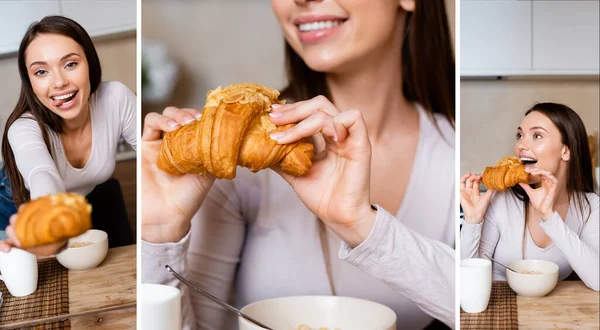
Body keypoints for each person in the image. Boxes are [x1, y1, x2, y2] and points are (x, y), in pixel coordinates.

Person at [142, 1, 456, 329]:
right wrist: (160, 234)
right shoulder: (241, 157)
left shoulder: (450, 159)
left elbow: (475, 307)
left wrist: (363, 226)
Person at [0, 15, 137, 255]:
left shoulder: (115, 98)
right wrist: (48, 223)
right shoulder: (23, 128)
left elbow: (153, 157)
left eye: (70, 64)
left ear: (90, 63)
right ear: (30, 82)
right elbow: (42, 175)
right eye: (41, 72)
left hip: (75, 205)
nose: (59, 82)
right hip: (12, 212)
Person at [461, 102, 599, 292]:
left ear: (565, 151)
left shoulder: (590, 207)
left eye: (537, 136)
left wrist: (550, 217)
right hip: (497, 307)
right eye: (520, 135)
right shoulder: (502, 200)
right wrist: (472, 221)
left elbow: (597, 279)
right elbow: (467, 282)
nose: (521, 145)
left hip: (553, 311)